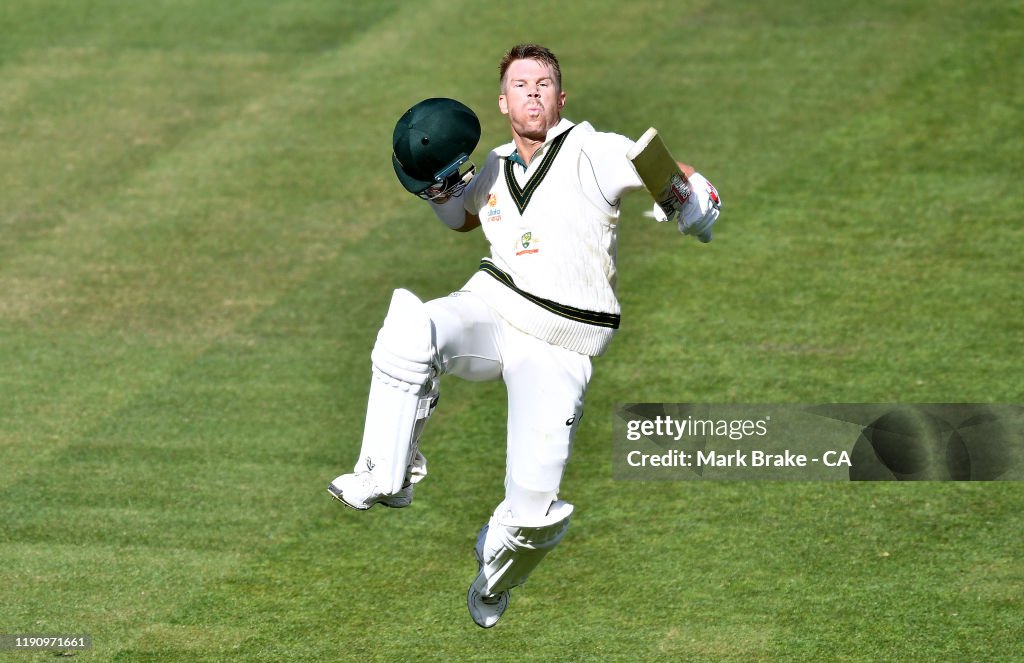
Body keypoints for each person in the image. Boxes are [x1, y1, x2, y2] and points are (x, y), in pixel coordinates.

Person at [328, 44, 721, 628]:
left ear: (560, 98)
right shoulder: (490, 167)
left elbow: (664, 170)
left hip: (562, 348)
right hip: (493, 310)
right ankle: (388, 475)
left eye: (543, 84)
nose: (532, 92)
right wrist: (434, 189)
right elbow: (462, 215)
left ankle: (492, 578)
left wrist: (693, 201)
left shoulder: (592, 150)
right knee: (410, 327)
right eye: (520, 84)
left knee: (533, 518)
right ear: (503, 102)